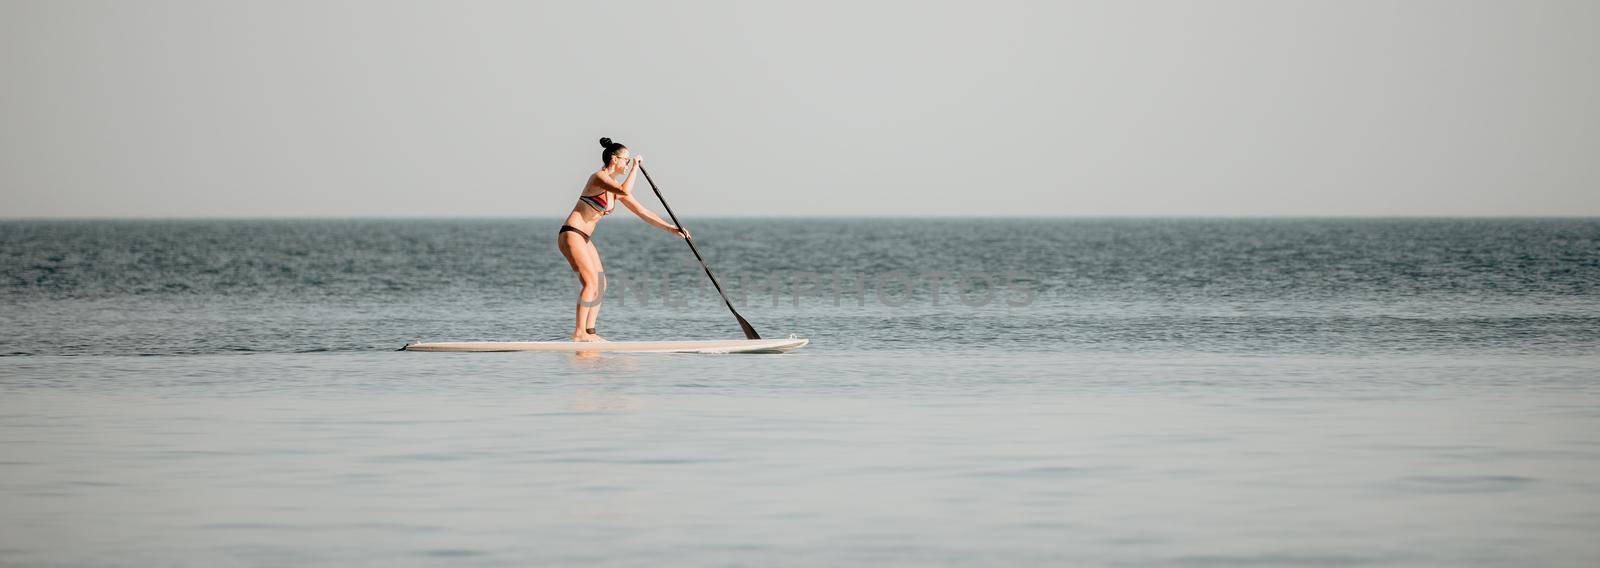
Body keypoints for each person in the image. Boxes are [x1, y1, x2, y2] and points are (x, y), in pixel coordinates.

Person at [556, 137, 689, 342]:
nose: (627, 163)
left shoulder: (615, 189)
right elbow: (626, 190)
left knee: (601, 283)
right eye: (625, 160)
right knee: (590, 283)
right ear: (613, 159)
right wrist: (636, 166)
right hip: (571, 233)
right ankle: (579, 333)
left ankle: (590, 332)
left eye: (629, 161)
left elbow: (643, 212)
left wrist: (671, 228)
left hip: (584, 237)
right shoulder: (598, 178)